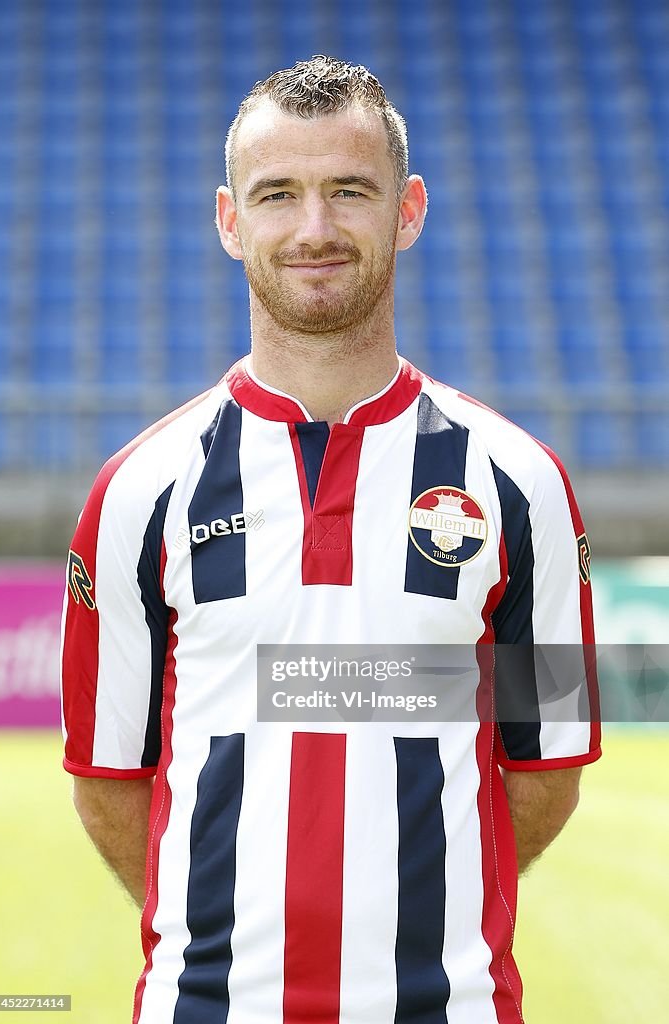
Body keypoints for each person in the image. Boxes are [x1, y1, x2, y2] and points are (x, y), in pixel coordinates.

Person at [61, 55, 601, 1024]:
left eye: (348, 190)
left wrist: (412, 912)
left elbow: (546, 768)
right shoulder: (136, 493)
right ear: (230, 220)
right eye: (278, 195)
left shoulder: (526, 489)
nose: (313, 229)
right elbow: (109, 783)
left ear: (408, 209)